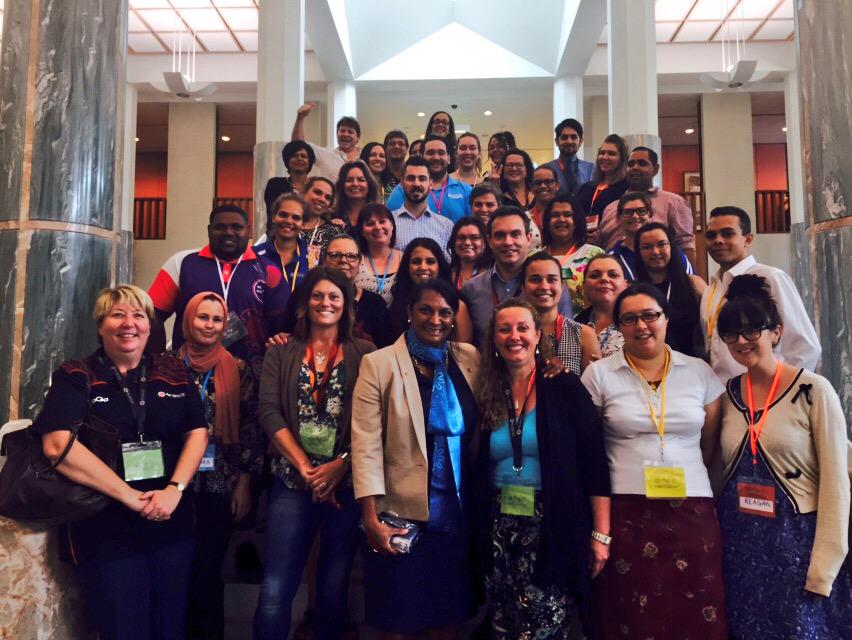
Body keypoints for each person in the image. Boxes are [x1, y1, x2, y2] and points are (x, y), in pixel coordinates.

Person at [33, 285, 207, 639]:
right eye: (117, 315)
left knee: (169, 626)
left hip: (171, 523)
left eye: (138, 315)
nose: (129, 323)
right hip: (105, 528)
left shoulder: (173, 371)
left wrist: (174, 489)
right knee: (122, 628)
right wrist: (128, 496)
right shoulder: (76, 376)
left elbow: (197, 432)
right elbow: (57, 444)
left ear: (149, 326)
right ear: (100, 326)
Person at [581, 282, 728, 639]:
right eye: (629, 319)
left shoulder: (699, 372)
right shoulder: (599, 375)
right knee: (631, 609)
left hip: (692, 507)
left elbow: (709, 443)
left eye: (650, 315)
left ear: (666, 318)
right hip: (627, 509)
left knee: (698, 605)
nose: (641, 325)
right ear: (618, 327)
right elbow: (589, 449)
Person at [715, 274, 852, 638]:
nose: (742, 341)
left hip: (796, 546)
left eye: (752, 330)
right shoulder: (728, 395)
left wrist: (825, 567)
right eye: (731, 333)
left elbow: (837, 484)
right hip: (741, 546)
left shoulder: (813, 390)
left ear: (776, 331)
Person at [351, 280, 480, 640]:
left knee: (448, 617)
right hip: (400, 515)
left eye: (444, 312)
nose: (435, 319)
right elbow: (365, 444)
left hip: (458, 514)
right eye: (426, 309)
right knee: (399, 621)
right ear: (409, 312)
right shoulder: (379, 364)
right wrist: (369, 516)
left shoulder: (470, 358)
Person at [475, 298, 610, 639]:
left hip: (554, 526)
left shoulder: (563, 386)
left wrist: (600, 535)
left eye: (523, 328)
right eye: (504, 329)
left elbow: (594, 462)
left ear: (538, 336)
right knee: (503, 624)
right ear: (494, 338)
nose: (514, 336)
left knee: (545, 626)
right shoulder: (486, 389)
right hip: (498, 529)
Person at [254, 267, 375, 640]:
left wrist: (342, 464)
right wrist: (306, 467)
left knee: (333, 587)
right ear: (305, 303)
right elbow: (269, 411)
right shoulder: (281, 351)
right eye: (318, 296)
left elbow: (374, 418)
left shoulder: (365, 353)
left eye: (334, 297)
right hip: (292, 480)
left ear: (346, 304)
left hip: (345, 482)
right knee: (276, 587)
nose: (326, 303)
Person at [175, 292, 264, 640]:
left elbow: (251, 427)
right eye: (202, 317)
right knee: (177, 566)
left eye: (216, 319)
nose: (210, 325)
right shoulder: (164, 366)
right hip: (172, 485)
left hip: (218, 483)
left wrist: (244, 479)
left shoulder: (238, 370)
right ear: (188, 320)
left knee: (208, 568)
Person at [700, 206, 820, 381]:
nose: (718, 240)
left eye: (727, 233)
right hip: (725, 396)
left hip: (766, 394)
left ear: (748, 239)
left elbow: (804, 347)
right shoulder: (711, 289)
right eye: (711, 235)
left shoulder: (770, 278)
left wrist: (782, 393)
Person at [148, 204, 268, 371]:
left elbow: (278, 322)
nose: (228, 232)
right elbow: (153, 315)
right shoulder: (182, 262)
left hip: (250, 374)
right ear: (209, 230)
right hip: (187, 372)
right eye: (220, 227)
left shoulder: (267, 268)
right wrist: (158, 361)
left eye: (236, 227)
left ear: (249, 231)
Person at [463, 207, 573, 346]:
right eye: (500, 235)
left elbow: (568, 335)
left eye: (515, 234)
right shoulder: (472, 290)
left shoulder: (550, 288)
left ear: (528, 238)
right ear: (489, 241)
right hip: (488, 366)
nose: (508, 242)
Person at [274, 235, 393, 349]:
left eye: (351, 256)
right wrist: (280, 340)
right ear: (324, 259)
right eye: (335, 255)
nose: (343, 261)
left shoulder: (375, 303)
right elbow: (284, 335)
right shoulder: (303, 294)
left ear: (359, 262)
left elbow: (384, 350)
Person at [596, 147, 697, 265]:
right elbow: (602, 246)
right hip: (614, 276)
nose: (635, 167)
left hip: (658, 277)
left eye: (642, 163)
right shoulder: (611, 208)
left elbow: (685, 245)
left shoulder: (673, 202)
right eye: (631, 164)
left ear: (655, 169)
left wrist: (690, 280)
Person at [521, 252, 601, 374]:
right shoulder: (513, 332)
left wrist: (565, 377)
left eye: (551, 279)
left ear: (562, 286)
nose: (544, 286)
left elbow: (593, 389)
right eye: (535, 279)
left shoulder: (584, 334)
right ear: (523, 286)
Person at [634, 222, 706, 357]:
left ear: (671, 247)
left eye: (661, 244)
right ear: (638, 252)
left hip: (693, 366)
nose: (655, 251)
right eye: (647, 247)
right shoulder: (634, 293)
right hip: (648, 366)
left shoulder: (694, 284)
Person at [387, 238, 473, 344]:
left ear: (439, 266)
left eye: (430, 262)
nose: (423, 267)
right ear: (407, 267)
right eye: (416, 262)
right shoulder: (398, 303)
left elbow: (463, 352)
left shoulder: (457, 305)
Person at [254, 192, 310, 336]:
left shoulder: (314, 258)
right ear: (273, 217)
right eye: (283, 214)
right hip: (262, 334)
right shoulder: (253, 256)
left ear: (303, 223)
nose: (288, 221)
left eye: (296, 217)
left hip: (299, 337)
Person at [541, 192, 605, 315]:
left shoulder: (594, 254)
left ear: (576, 221)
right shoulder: (534, 257)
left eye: (567, 214)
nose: (561, 219)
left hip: (585, 326)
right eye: (555, 215)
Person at [387, 135, 472, 224]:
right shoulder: (402, 189)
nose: (436, 157)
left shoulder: (466, 191)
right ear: (421, 157)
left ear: (449, 158)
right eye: (430, 153)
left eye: (441, 153)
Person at [610, 191, 693, 280]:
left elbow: (690, 286)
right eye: (627, 212)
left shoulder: (672, 253)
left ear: (650, 215)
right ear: (619, 218)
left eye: (641, 211)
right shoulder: (612, 257)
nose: (635, 216)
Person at [390, 156, 454, 255]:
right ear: (402, 183)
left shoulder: (446, 226)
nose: (416, 184)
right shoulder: (389, 224)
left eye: (422, 179)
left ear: (430, 183)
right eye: (411, 178)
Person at [575, 133, 629, 239]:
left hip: (612, 244)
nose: (605, 157)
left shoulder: (627, 189)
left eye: (612, 154)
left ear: (622, 159)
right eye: (602, 153)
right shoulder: (586, 188)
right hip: (583, 243)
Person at [575, 254, 628, 358]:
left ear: (625, 285)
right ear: (584, 286)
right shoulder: (574, 326)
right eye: (595, 276)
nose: (604, 279)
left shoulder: (640, 321)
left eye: (613, 275)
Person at [291, 103, 361, 179]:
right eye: (342, 131)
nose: (345, 134)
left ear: (357, 137)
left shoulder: (366, 156)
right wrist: (300, 118)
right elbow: (298, 145)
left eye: (350, 132)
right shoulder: (326, 154)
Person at [354, 202, 402, 306]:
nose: (377, 227)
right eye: (370, 224)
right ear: (361, 231)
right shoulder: (354, 261)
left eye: (382, 221)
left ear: (392, 225)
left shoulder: (405, 259)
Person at [263, 140, 316, 230]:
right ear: (287, 160)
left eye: (304, 156)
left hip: (312, 235)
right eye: (294, 156)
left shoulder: (315, 187)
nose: (299, 158)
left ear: (309, 161)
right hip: (280, 234)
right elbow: (273, 212)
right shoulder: (275, 184)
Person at [542, 118, 594, 196]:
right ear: (556, 141)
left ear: (580, 141)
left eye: (573, 137)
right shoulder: (545, 169)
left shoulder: (591, 169)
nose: (569, 141)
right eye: (564, 137)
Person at [300, 176, 342, 267]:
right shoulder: (287, 224)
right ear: (304, 192)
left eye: (327, 197)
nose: (322, 199)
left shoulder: (333, 232)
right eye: (317, 192)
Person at [333, 159, 379, 234]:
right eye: (349, 180)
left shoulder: (380, 215)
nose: (355, 184)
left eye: (361, 180)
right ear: (342, 185)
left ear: (369, 184)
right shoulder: (332, 216)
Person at [448, 216, 491, 290]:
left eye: (474, 237)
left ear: (485, 242)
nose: (467, 243)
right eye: (461, 238)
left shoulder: (494, 271)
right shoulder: (447, 273)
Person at [526, 164, 561, 245]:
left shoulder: (566, 217)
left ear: (557, 185)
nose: (543, 186)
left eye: (548, 182)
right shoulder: (523, 218)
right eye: (537, 183)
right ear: (531, 187)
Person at [383, 129, 409, 195]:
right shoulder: (379, 173)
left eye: (401, 144)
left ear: (407, 149)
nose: (396, 146)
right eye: (392, 143)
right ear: (385, 148)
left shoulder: (412, 173)